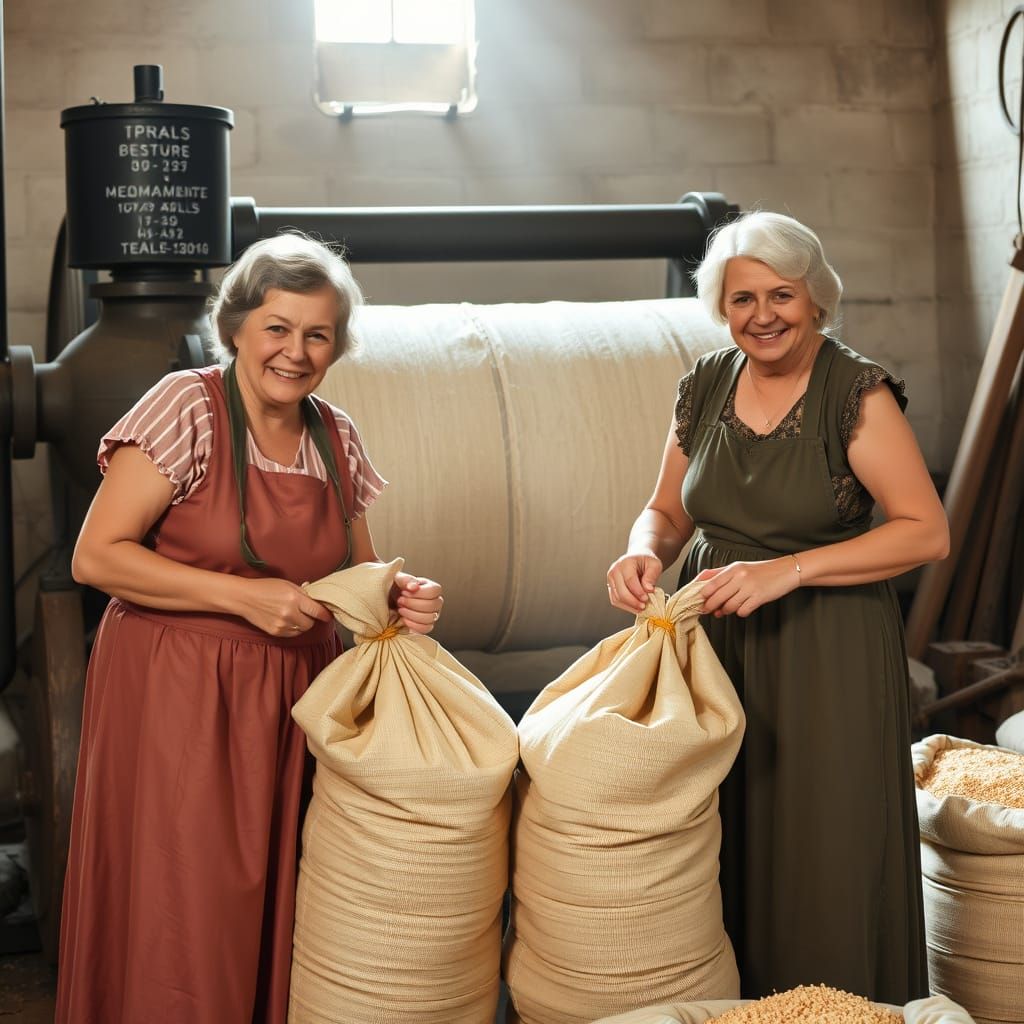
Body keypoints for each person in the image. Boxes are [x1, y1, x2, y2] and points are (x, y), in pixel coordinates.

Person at [55, 233, 444, 1023]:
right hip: (179, 693)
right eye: (277, 327)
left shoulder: (336, 437)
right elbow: (96, 559)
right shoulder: (185, 406)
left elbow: (355, 577)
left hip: (297, 696)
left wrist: (403, 596)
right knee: (188, 900)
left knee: (290, 891)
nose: (294, 352)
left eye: (317, 334)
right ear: (235, 326)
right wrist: (244, 598)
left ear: (337, 345)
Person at [606, 211, 948, 1003]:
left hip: (828, 648)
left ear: (817, 298)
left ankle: (839, 1013)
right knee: (722, 838)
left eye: (781, 295)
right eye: (741, 299)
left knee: (823, 851)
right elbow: (666, 508)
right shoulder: (706, 381)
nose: (762, 315)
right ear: (721, 308)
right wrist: (641, 549)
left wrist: (787, 572)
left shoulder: (854, 392)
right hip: (716, 645)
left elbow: (926, 533)